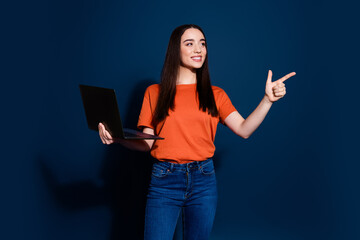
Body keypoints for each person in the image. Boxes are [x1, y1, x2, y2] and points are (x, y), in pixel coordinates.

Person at [98, 24, 295, 240]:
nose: (198, 49)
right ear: (176, 50)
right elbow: (147, 143)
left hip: (204, 180)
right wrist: (116, 137)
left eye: (202, 44)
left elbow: (244, 129)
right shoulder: (154, 93)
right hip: (164, 180)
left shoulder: (215, 95)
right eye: (189, 44)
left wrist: (267, 100)